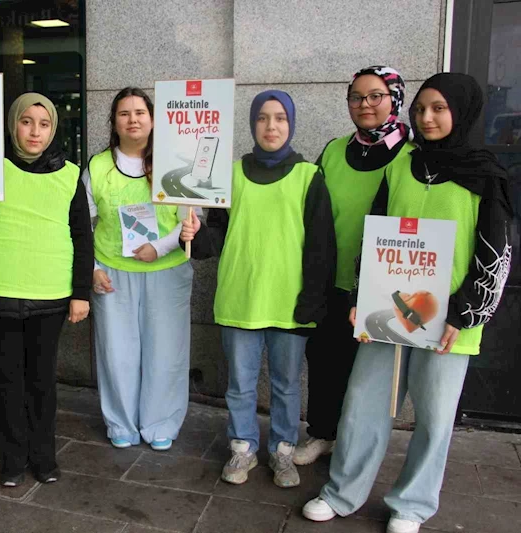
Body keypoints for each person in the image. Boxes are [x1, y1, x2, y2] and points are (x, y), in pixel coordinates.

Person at [302, 73, 513, 533]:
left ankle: (412, 505)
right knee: (362, 403)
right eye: (420, 109)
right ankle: (342, 492)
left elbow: (496, 253)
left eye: (438, 108)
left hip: (451, 320)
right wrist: (363, 295)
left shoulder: (485, 173)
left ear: (461, 112)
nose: (427, 117)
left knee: (435, 419)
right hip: (389, 311)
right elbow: (374, 232)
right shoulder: (401, 164)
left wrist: (465, 311)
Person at [181, 90, 335, 487]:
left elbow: (321, 246)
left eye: (280, 118)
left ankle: (283, 452)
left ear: (291, 124)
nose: (271, 126)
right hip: (240, 298)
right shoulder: (229, 175)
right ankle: (243, 449)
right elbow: (213, 237)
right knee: (240, 384)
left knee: (285, 385)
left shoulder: (309, 176)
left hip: (290, 303)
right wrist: (195, 235)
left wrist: (312, 301)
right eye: (263, 118)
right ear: (252, 125)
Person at [0, 93, 92, 486]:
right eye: (26, 122)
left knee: (42, 381)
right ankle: (13, 458)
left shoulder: (69, 173)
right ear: (12, 124)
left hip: (50, 294)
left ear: (54, 128)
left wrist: (80, 292)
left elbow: (82, 237)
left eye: (44, 123)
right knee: (8, 381)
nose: (35, 131)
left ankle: (44, 457)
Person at [296, 66, 413, 465]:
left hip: (383, 287)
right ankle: (322, 434)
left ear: (395, 98)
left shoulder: (413, 155)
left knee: (368, 376)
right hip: (332, 278)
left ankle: (356, 446)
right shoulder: (333, 149)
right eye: (356, 97)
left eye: (375, 95)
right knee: (325, 361)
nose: (365, 105)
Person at [85, 87, 193, 452]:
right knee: (117, 353)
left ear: (153, 119)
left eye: (140, 113)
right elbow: (79, 223)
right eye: (124, 113)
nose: (133, 119)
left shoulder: (173, 161)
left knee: (166, 351)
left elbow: (191, 218)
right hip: (112, 272)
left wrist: (159, 247)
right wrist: (93, 268)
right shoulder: (98, 166)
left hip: (167, 270)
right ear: (114, 122)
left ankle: (160, 422)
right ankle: (121, 422)